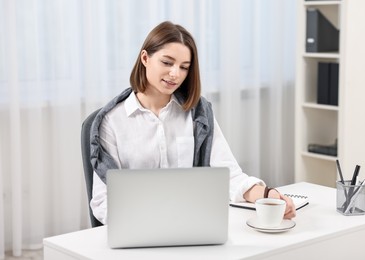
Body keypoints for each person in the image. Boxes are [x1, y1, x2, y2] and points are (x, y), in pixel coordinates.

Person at [89, 21, 296, 225]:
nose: (175, 74)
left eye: (184, 67)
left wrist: (268, 195)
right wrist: (146, 224)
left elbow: (229, 176)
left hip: (191, 226)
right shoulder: (111, 121)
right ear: (145, 58)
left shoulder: (198, 114)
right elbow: (103, 200)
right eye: (167, 63)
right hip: (137, 228)